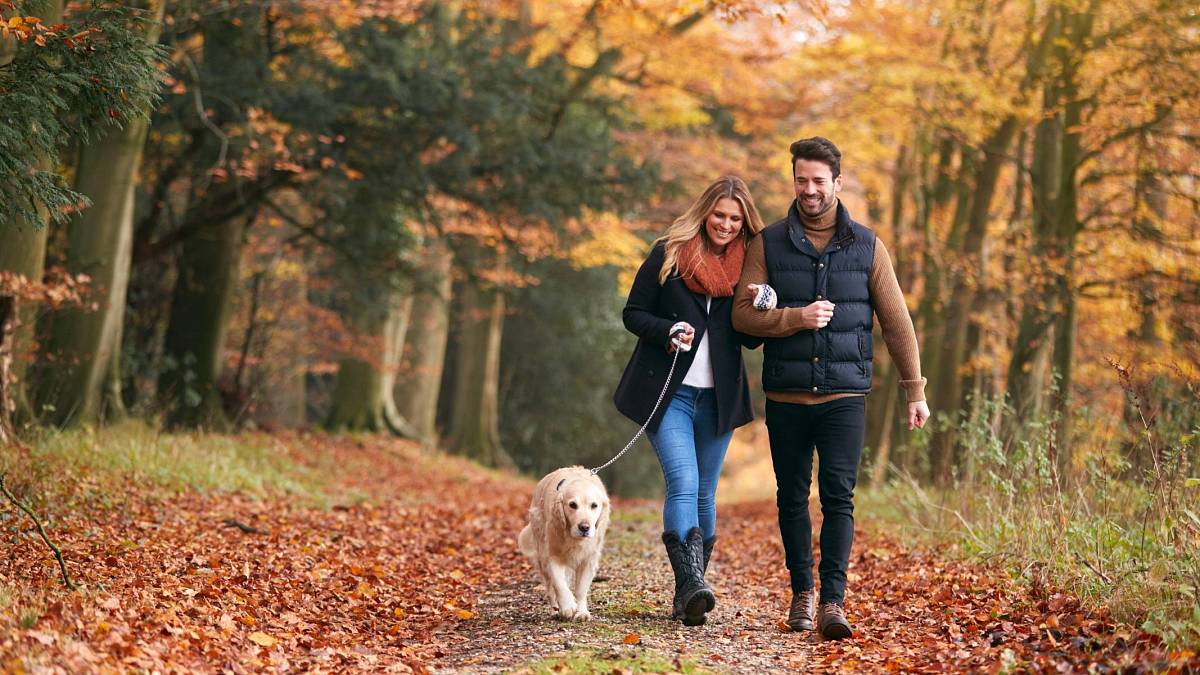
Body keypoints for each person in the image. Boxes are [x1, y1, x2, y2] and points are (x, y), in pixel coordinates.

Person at [732, 137, 931, 640]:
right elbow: (741, 315)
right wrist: (794, 318)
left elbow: (897, 321)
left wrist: (915, 390)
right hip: (786, 397)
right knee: (792, 498)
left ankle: (833, 603)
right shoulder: (768, 244)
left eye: (819, 181)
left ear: (837, 184)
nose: (810, 190)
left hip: (845, 397)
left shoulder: (867, 246)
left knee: (839, 498)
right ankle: (802, 594)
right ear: (793, 180)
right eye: (802, 180)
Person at [613, 175, 765, 626]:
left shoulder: (751, 267)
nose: (726, 224)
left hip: (719, 399)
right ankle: (691, 586)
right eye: (719, 215)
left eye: (735, 219)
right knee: (683, 480)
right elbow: (633, 312)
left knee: (705, 491)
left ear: (744, 222)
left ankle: (689, 592)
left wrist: (760, 306)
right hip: (669, 392)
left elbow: (752, 341)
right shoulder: (670, 253)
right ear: (705, 212)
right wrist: (667, 331)